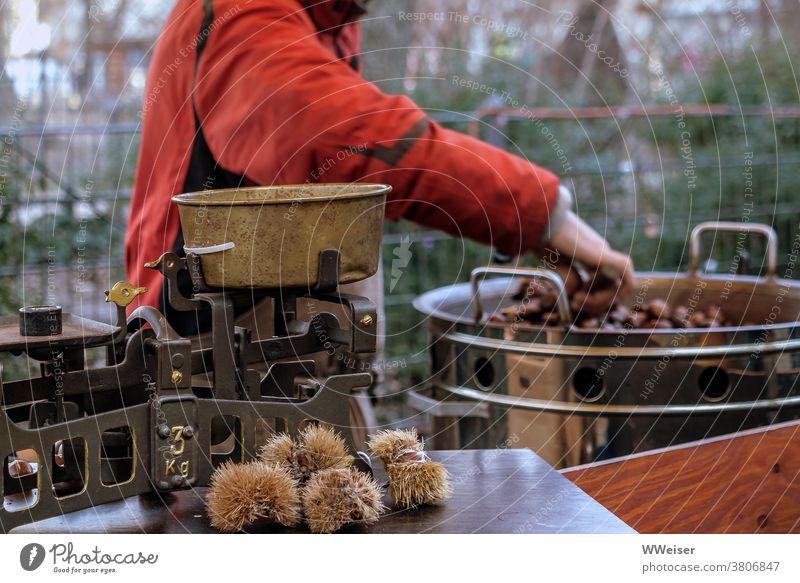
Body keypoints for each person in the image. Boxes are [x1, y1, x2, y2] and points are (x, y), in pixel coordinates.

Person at [125, 0, 634, 332]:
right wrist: (546, 216)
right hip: (193, 331)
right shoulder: (243, 17)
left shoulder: (329, 21)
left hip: (274, 322)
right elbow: (355, 139)